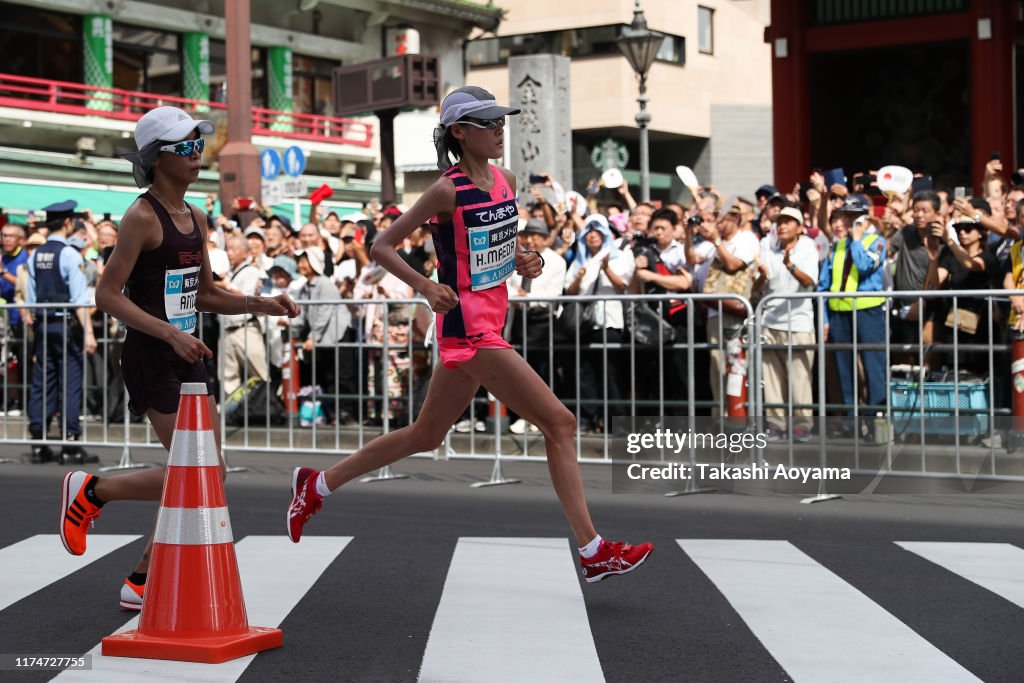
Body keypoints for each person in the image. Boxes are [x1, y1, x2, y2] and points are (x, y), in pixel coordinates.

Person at [286, 86, 653, 581]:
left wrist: (528, 260)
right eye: (488, 122)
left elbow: (500, 250)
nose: (499, 129)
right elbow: (382, 245)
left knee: (425, 434)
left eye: (501, 121)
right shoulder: (446, 189)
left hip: (489, 320)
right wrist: (424, 286)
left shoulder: (507, 179)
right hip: (469, 329)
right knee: (560, 423)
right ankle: (593, 550)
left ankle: (317, 485)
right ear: (459, 131)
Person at [57, 106, 298, 610]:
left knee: (210, 470)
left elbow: (205, 292)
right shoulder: (141, 216)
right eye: (186, 147)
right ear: (158, 158)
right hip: (151, 353)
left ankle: (113, 523)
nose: (197, 155)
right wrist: (168, 333)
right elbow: (107, 295)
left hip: (189, 352)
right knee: (197, 469)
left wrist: (261, 303)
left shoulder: (198, 216)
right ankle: (118, 533)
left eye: (198, 145)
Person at [26, 201, 98, 464]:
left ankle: (38, 440)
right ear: (68, 223)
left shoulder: (36, 255)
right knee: (70, 381)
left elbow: (32, 298)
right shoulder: (70, 255)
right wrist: (89, 333)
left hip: (43, 324)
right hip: (66, 327)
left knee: (43, 382)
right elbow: (80, 299)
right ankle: (70, 442)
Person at [818, 196, 888, 437]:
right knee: (844, 369)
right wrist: (825, 318)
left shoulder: (876, 241)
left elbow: (865, 266)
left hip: (867, 310)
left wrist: (857, 240)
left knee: (873, 367)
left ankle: (877, 421)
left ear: (865, 216)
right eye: (846, 215)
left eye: (853, 215)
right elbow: (824, 285)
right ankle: (850, 422)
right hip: (839, 312)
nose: (848, 220)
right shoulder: (837, 245)